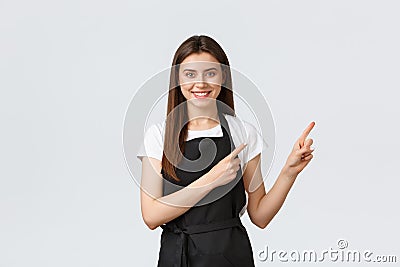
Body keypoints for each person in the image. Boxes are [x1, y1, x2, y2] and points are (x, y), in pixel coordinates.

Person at [136, 35, 315, 267]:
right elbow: (151, 216)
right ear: (177, 80)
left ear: (223, 77)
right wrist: (210, 181)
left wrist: (289, 172)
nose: (200, 83)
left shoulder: (243, 132)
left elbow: (260, 216)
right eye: (190, 74)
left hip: (231, 256)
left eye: (210, 73)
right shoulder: (158, 136)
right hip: (178, 257)